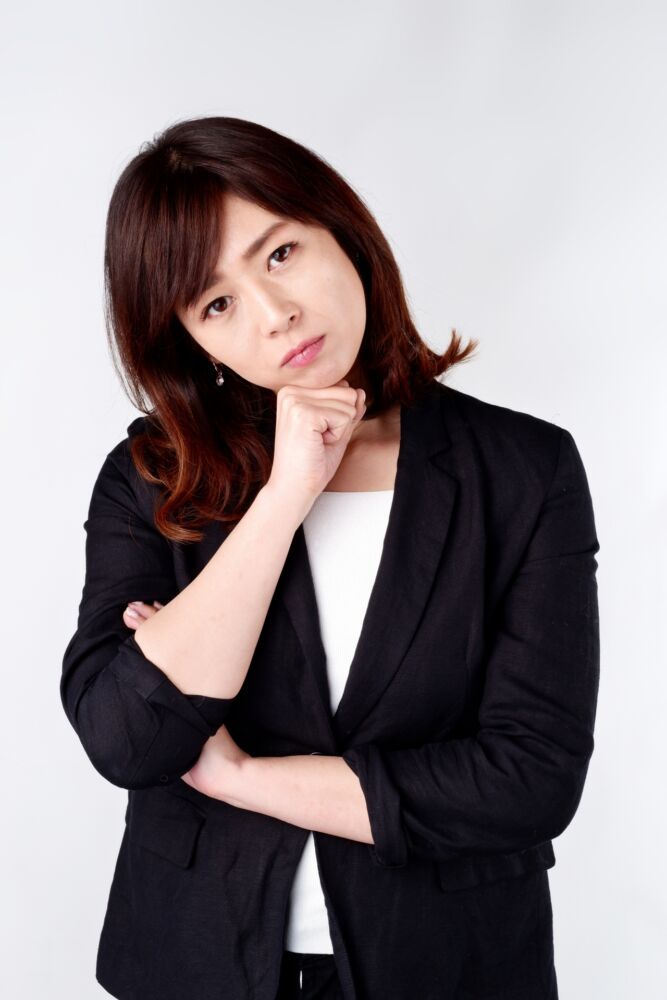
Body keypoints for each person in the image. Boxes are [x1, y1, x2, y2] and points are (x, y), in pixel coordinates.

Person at [60, 115, 601, 1000]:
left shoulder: (522, 469)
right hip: (197, 965)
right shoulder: (151, 477)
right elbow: (128, 738)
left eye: (279, 254)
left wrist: (239, 777)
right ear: (192, 341)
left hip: (449, 969)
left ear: (340, 229)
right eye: (216, 304)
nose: (275, 314)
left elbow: (530, 781)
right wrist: (285, 497)